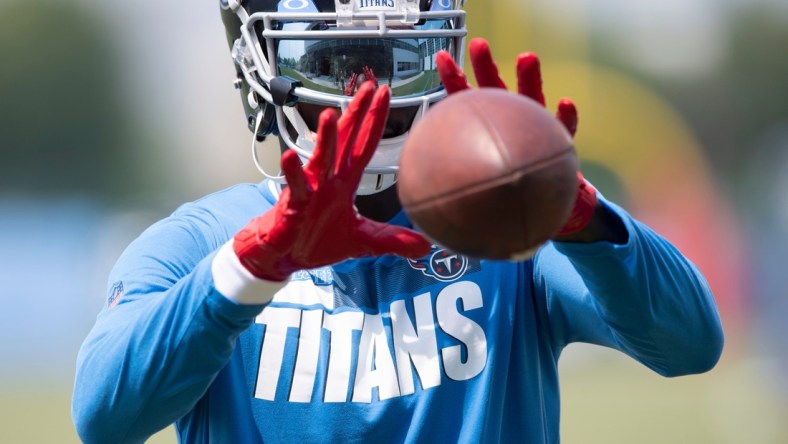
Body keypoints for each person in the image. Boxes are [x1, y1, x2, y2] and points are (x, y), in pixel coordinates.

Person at [72, 1, 724, 443]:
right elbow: (104, 415)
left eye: (392, 60)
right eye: (331, 63)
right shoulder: (200, 242)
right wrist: (251, 265)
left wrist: (570, 210)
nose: (367, 88)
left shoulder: (508, 222)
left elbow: (690, 344)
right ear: (261, 67)